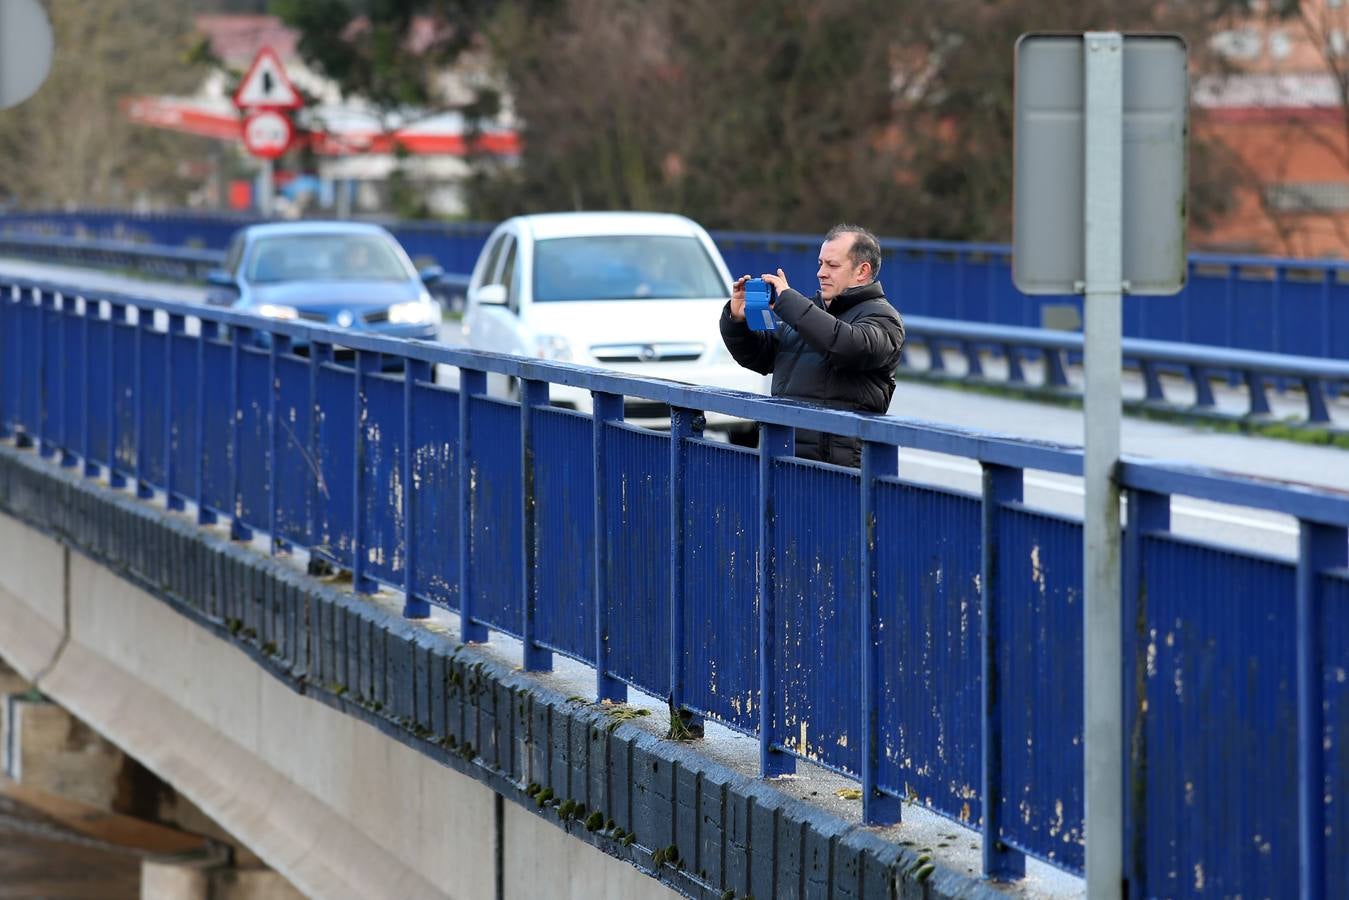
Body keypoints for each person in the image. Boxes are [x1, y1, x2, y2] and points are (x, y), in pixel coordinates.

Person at [719, 224, 905, 467]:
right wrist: (737, 320)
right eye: (820, 263)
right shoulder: (807, 312)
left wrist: (790, 303)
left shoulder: (884, 318)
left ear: (862, 271)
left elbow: (846, 346)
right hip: (783, 457)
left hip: (839, 469)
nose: (821, 272)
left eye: (832, 265)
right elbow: (761, 357)